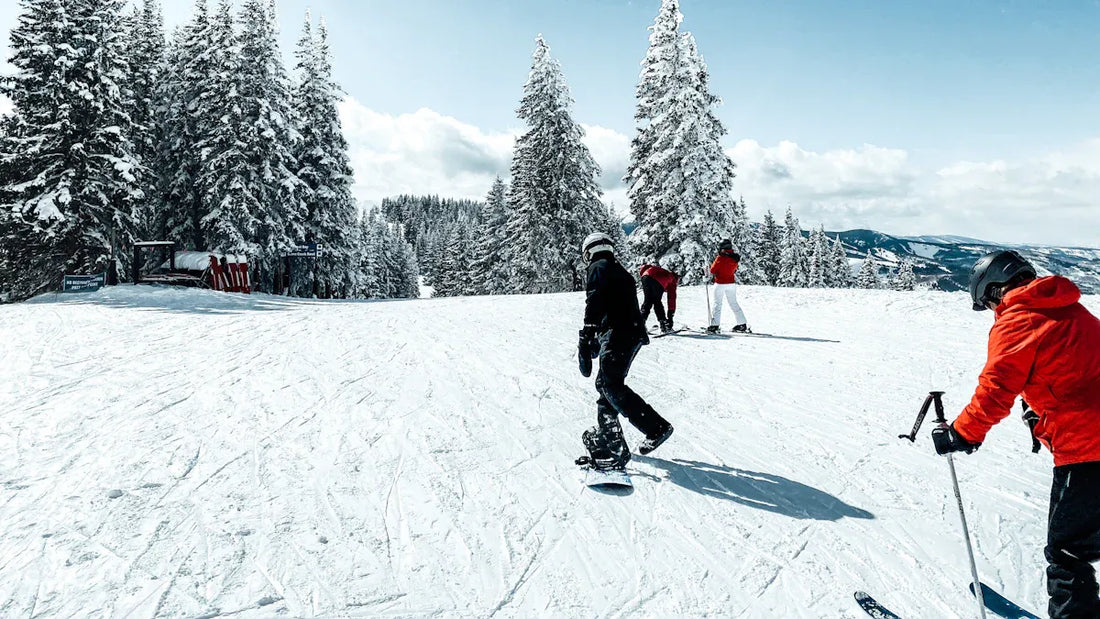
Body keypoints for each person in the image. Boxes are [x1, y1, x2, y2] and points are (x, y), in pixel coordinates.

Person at [931, 250, 1100, 619]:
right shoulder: (1072, 310)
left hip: (1087, 449)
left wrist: (962, 433)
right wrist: (1041, 400)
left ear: (994, 290)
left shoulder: (1018, 319)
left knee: (1067, 553)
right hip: (1090, 440)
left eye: (988, 301)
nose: (993, 309)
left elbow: (995, 388)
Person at [576, 232, 674, 470]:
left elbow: (595, 298)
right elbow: (614, 304)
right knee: (606, 383)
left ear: (589, 252)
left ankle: (655, 427)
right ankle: (609, 435)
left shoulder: (598, 267)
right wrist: (597, 337)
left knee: (609, 384)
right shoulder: (617, 269)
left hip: (620, 333)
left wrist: (588, 331)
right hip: (626, 333)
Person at [707, 239, 749, 334]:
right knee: (733, 303)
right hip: (731, 284)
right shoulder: (735, 258)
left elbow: (712, 270)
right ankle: (742, 324)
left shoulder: (720, 258)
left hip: (720, 284)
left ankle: (714, 325)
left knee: (718, 304)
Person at [638, 263, 679, 333]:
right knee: (657, 301)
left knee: (648, 301)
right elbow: (671, 299)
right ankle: (664, 325)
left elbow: (645, 269)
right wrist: (670, 317)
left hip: (645, 276)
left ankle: (640, 325)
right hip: (658, 279)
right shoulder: (672, 279)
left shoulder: (661, 271)